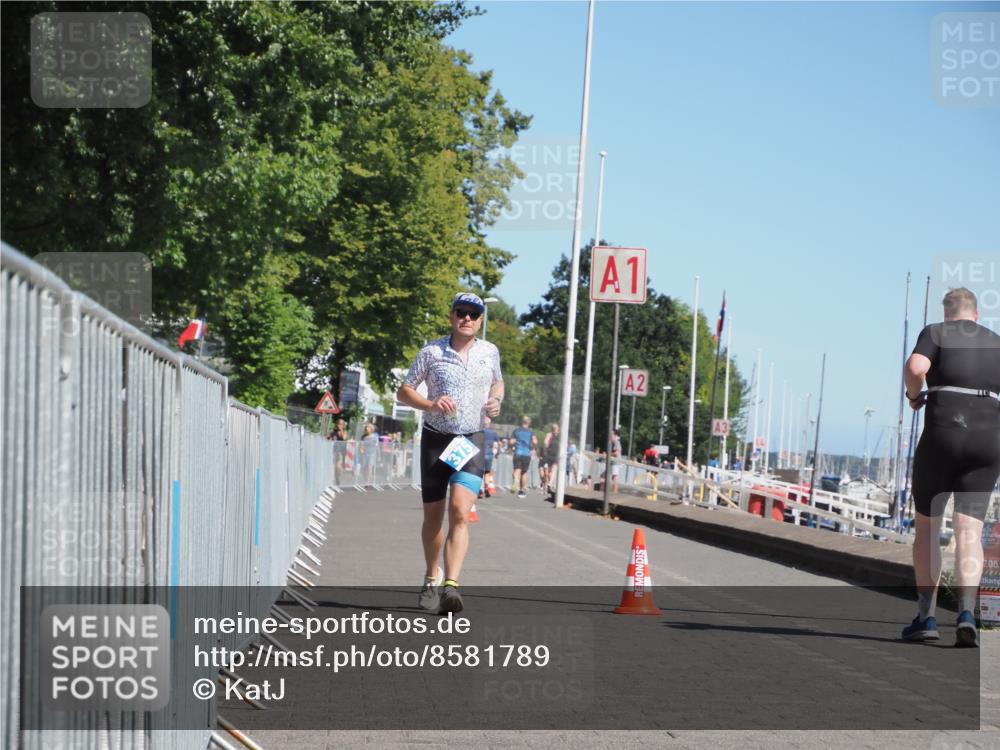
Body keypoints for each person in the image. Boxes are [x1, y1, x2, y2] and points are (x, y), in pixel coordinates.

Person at [901, 287, 1000, 647]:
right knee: (969, 531)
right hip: (988, 440)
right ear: (976, 315)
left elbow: (915, 367)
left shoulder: (935, 332)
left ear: (947, 314)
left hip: (944, 431)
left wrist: (915, 396)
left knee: (928, 527)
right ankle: (968, 614)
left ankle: (926, 616)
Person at [397, 292, 504, 614]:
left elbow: (498, 383)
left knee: (460, 510)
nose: (467, 318)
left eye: (474, 313)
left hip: (468, 440)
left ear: (481, 319)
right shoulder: (432, 351)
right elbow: (404, 391)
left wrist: (496, 400)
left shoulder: (490, 352)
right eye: (461, 312)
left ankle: (451, 586)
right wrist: (430, 404)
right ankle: (432, 575)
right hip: (436, 439)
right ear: (452, 316)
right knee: (433, 517)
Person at [511, 416, 536, 498]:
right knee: (524, 472)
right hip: (526, 454)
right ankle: (522, 491)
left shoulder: (516, 431)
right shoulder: (531, 432)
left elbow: (511, 442)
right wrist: (531, 445)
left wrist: (515, 442)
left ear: (522, 422)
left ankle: (516, 481)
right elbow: (535, 442)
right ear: (529, 423)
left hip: (518, 453)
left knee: (517, 470)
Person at [481, 416, 500, 498]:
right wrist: (497, 452)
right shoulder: (493, 433)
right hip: (489, 455)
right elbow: (499, 444)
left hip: (480, 455)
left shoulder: (479, 431)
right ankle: (486, 487)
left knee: (479, 472)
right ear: (489, 424)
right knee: (487, 472)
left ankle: (480, 489)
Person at [542, 422, 560, 493]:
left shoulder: (549, 434)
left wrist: (544, 452)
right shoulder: (561, 436)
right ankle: (550, 483)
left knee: (547, 472)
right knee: (553, 470)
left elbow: (545, 443)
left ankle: (547, 485)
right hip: (556, 455)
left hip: (548, 454)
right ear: (558, 429)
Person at [610, 427, 622, 493]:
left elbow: (617, 453)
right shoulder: (614, 443)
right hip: (614, 463)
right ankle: (614, 493)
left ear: (614, 435)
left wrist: (608, 454)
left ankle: (614, 494)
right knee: (613, 477)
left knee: (615, 477)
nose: (610, 436)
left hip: (616, 462)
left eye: (611, 434)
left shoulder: (617, 442)